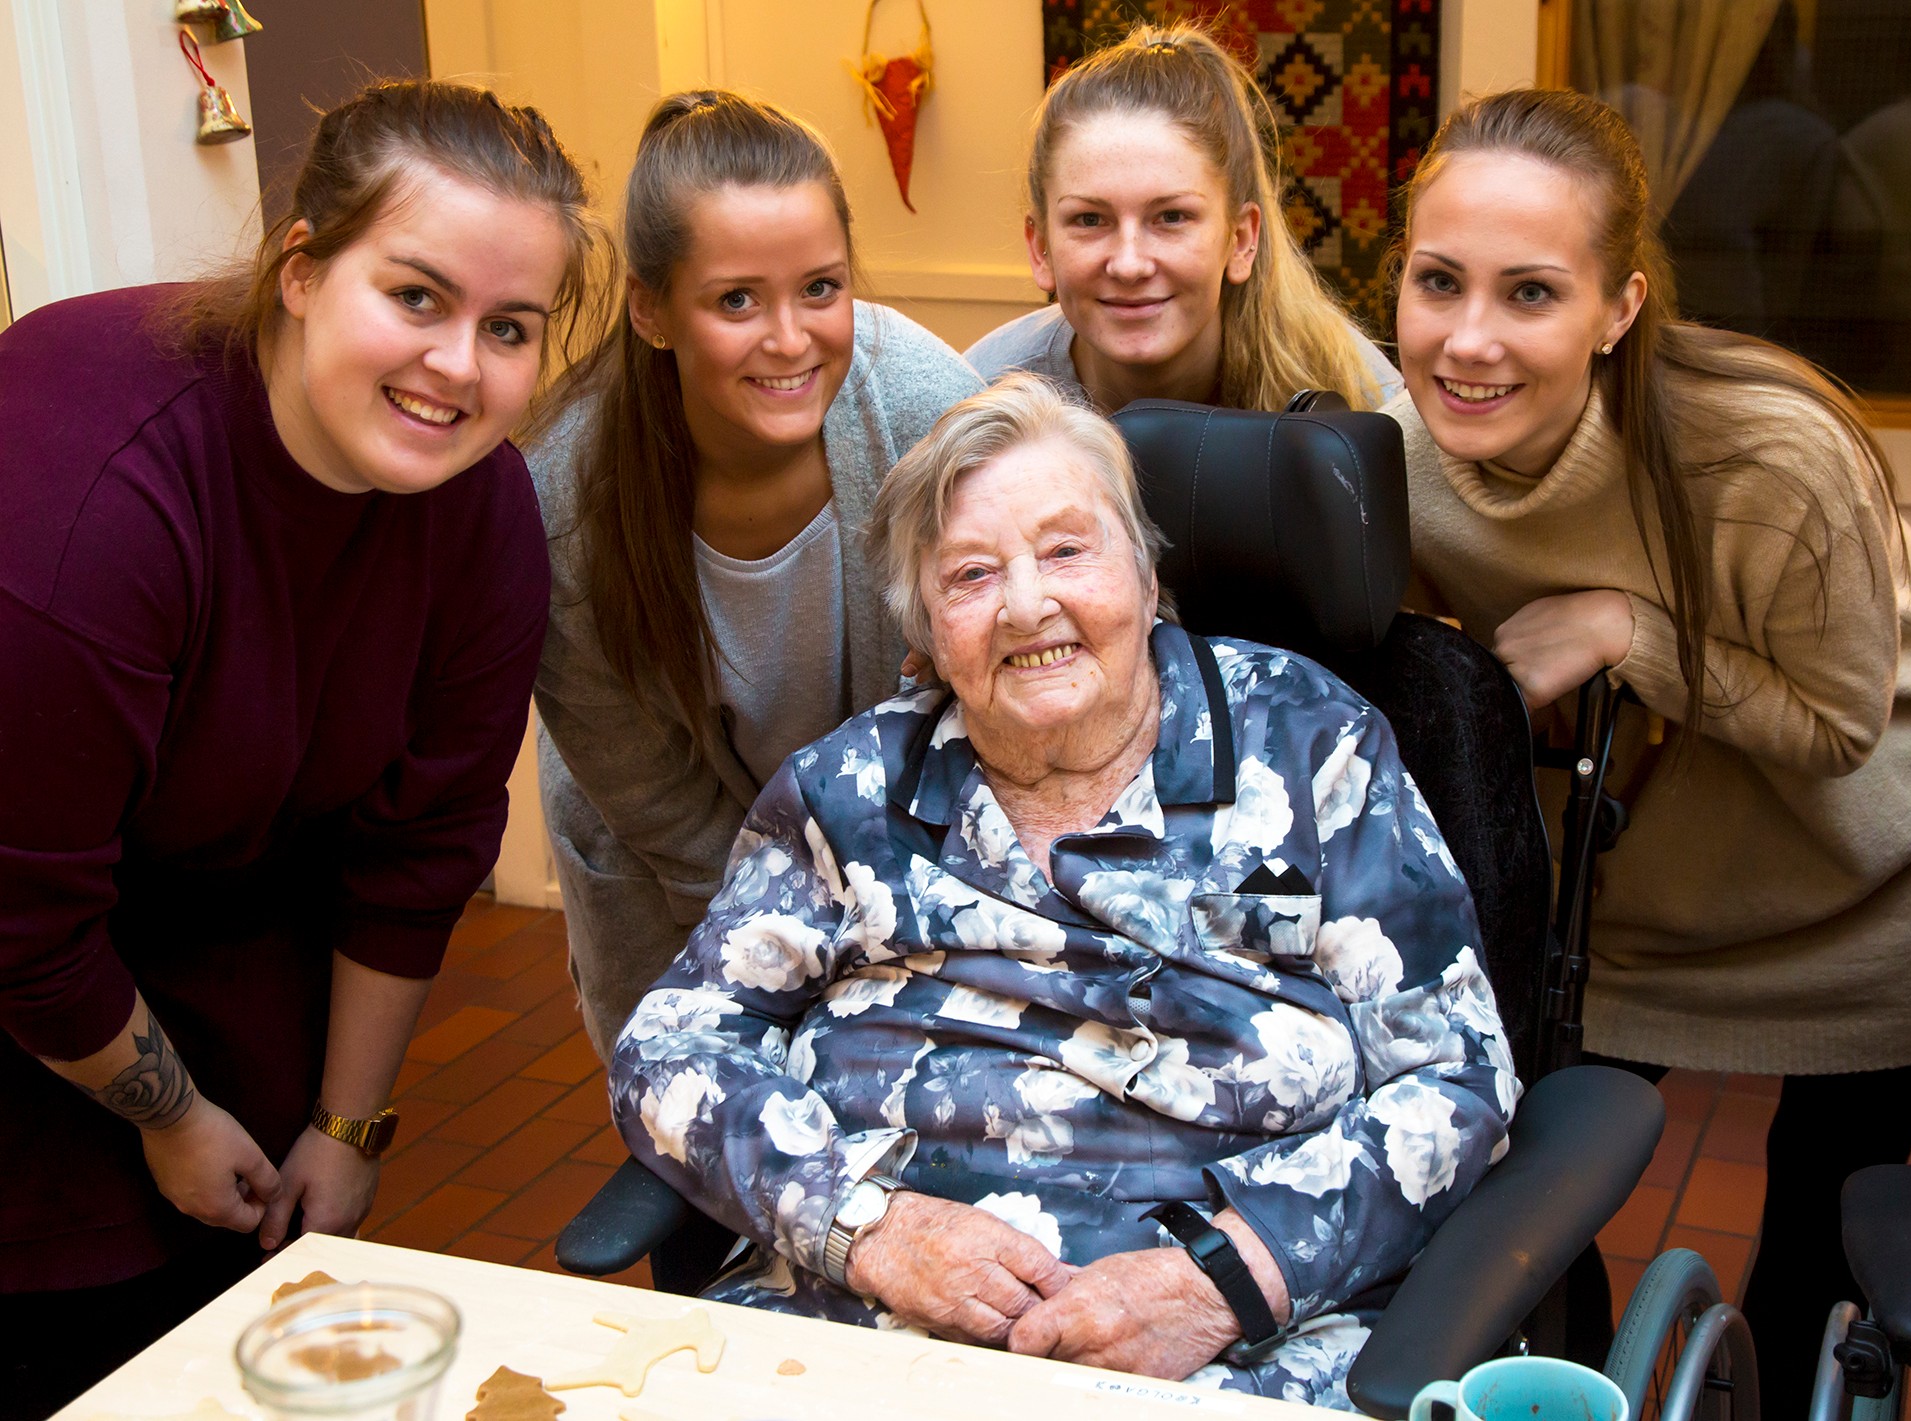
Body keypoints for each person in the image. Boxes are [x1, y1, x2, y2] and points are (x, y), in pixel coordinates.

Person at [609, 374, 1517, 1408]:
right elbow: (671, 1044)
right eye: (972, 573)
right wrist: (862, 1222)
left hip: (1225, 1352)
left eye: (1067, 549)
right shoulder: (849, 790)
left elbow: (1456, 1078)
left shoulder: (1307, 743)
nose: (1027, 602)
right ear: (928, 628)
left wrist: (1222, 1281)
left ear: (1143, 568)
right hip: (856, 1330)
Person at [1383, 86, 1911, 1413]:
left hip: (1890, 863)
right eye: (1437, 282)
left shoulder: (1772, 452)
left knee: (1809, 1245)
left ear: (1621, 306)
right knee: (1534, 1193)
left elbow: (1844, 729)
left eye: (1532, 294)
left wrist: (1634, 631)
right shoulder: (1399, 453)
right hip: (1649, 893)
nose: (1468, 340)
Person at [0, 81, 599, 1417]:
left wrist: (346, 1123)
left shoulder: (485, 512)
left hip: (234, 978)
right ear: (302, 268)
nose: (459, 365)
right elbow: (25, 917)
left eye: (509, 328)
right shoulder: (93, 493)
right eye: (417, 296)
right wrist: (166, 1115)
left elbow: (425, 843)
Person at [530, 91, 981, 1059]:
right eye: (736, 299)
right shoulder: (562, 503)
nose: (789, 338)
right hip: (670, 885)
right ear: (650, 309)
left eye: (820, 288)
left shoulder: (923, 408)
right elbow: (658, 804)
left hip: (904, 866)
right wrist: (794, 960)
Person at [965, 22, 1400, 415]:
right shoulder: (978, 398)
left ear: (1242, 239)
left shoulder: (1360, 398)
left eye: (1171, 217)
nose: (1130, 265)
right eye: (1090, 220)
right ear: (1040, 249)